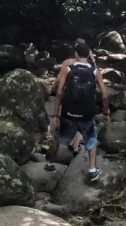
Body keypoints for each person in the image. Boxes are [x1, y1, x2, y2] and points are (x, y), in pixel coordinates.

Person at [47, 39, 110, 181]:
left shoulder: (69, 68)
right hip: (86, 114)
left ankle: (50, 163)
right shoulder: (95, 71)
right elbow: (105, 96)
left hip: (68, 112)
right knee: (91, 139)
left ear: (76, 54)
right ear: (89, 55)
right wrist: (106, 113)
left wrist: (56, 114)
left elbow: (59, 92)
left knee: (57, 136)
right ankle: (92, 169)